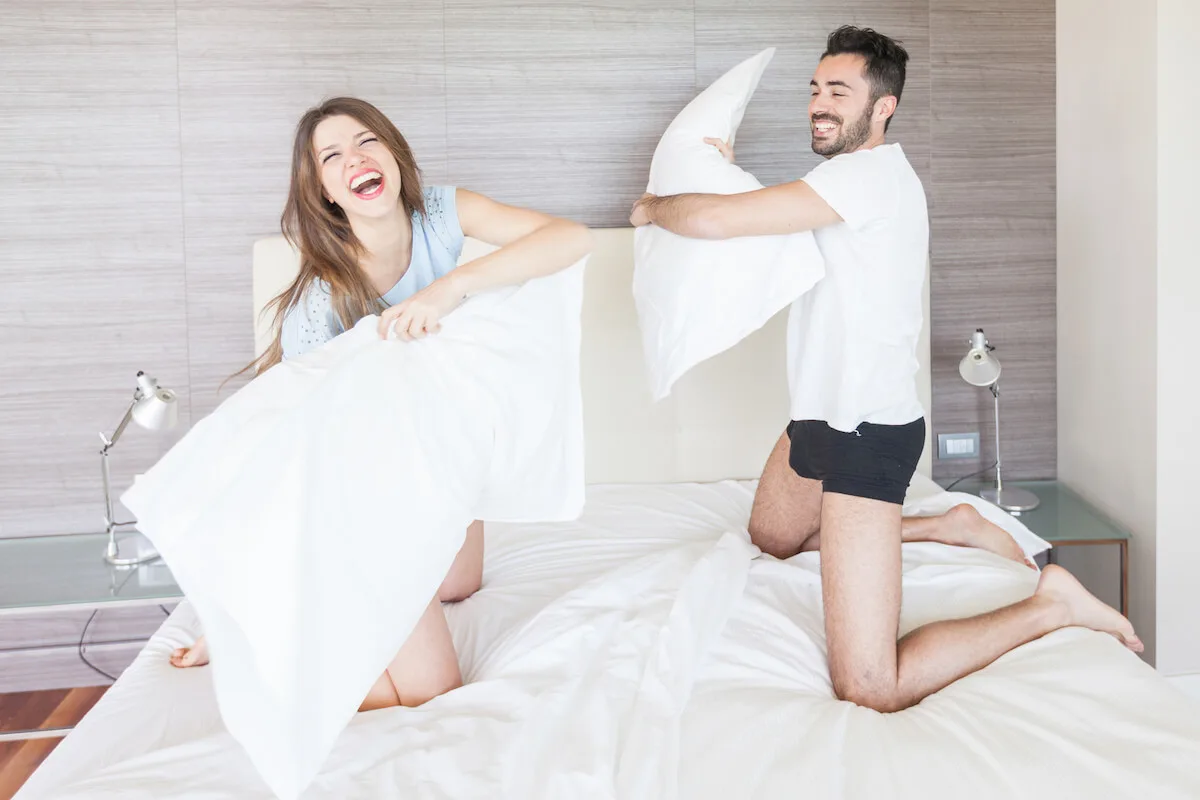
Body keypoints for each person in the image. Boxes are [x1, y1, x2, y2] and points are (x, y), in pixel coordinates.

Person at [630, 26, 1140, 713]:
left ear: (884, 105)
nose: (819, 104)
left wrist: (656, 207)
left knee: (872, 686)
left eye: (838, 92)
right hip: (815, 415)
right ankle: (951, 524)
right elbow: (761, 227)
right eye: (814, 89)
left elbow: (722, 224)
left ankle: (1051, 605)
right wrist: (720, 172)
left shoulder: (868, 178)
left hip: (869, 435)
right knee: (773, 540)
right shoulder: (837, 183)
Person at [170, 96, 593, 713]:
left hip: (426, 456)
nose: (356, 160)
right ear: (325, 192)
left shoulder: (439, 214)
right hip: (355, 489)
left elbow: (570, 238)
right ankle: (266, 632)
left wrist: (452, 288)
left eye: (367, 141)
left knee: (459, 584)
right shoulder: (322, 303)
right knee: (429, 693)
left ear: (393, 153)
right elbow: (305, 452)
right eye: (332, 156)